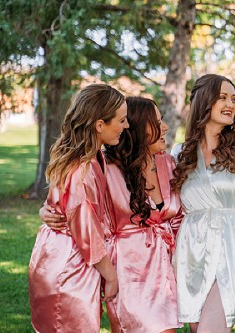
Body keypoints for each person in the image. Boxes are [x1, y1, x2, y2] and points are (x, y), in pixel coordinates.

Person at [40, 97, 182, 333]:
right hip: (128, 271)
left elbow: (183, 215)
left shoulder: (169, 164)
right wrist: (46, 210)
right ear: (136, 129)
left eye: (163, 120)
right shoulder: (106, 167)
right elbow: (75, 205)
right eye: (156, 122)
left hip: (164, 271)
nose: (165, 127)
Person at [171, 74, 235, 333]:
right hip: (190, 254)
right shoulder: (179, 154)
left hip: (230, 250)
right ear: (204, 101)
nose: (231, 105)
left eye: (233, 99)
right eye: (222, 97)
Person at [29, 84, 127, 332]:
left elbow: (61, 203)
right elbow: (88, 235)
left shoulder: (94, 155)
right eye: (122, 120)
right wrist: (111, 276)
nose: (126, 126)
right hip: (69, 266)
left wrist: (45, 210)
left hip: (60, 257)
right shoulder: (82, 168)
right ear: (99, 125)